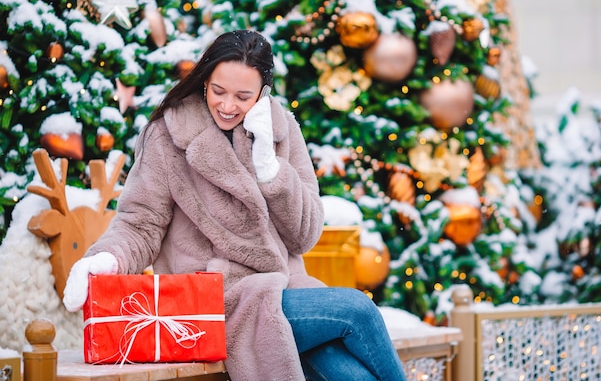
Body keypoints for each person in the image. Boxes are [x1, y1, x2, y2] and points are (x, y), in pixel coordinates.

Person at [63, 30, 407, 381]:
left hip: (284, 289)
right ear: (204, 80)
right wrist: (107, 257)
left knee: (350, 374)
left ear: (263, 92)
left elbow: (305, 236)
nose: (228, 106)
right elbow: (140, 222)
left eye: (243, 96)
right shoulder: (168, 135)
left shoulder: (281, 128)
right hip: (215, 301)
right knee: (357, 310)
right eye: (218, 91)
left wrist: (270, 169)